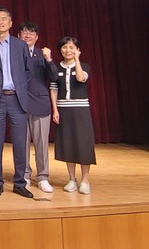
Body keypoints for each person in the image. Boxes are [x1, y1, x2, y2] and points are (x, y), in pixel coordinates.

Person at [0, 7, 35, 198]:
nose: (0, 22)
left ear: (10, 23)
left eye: (4, 19)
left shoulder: (20, 45)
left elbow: (29, 70)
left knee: (20, 143)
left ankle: (19, 183)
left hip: (17, 99)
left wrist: (19, 86)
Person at [51, 36, 96, 194]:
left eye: (71, 47)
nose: (67, 50)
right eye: (65, 47)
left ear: (77, 50)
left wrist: (76, 60)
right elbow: (53, 89)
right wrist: (55, 110)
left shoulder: (84, 66)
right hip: (63, 109)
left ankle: (85, 180)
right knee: (67, 144)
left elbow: (80, 78)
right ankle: (72, 179)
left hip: (80, 109)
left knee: (83, 144)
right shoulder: (56, 68)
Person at [19, 22, 58, 193]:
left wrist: (49, 60)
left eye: (31, 33)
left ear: (37, 37)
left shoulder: (42, 54)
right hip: (19, 104)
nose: (27, 35)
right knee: (22, 143)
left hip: (40, 104)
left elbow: (53, 76)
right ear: (19, 36)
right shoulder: (14, 53)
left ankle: (43, 177)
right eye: (24, 32)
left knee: (41, 144)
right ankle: (24, 175)